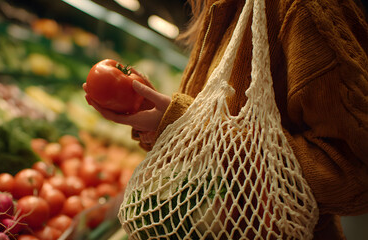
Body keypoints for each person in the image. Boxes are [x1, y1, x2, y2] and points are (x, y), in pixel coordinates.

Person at [84, 0, 368, 238]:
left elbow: (356, 172)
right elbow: (205, 146)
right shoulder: (222, 6)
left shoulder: (304, 9)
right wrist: (156, 117)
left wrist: (187, 126)